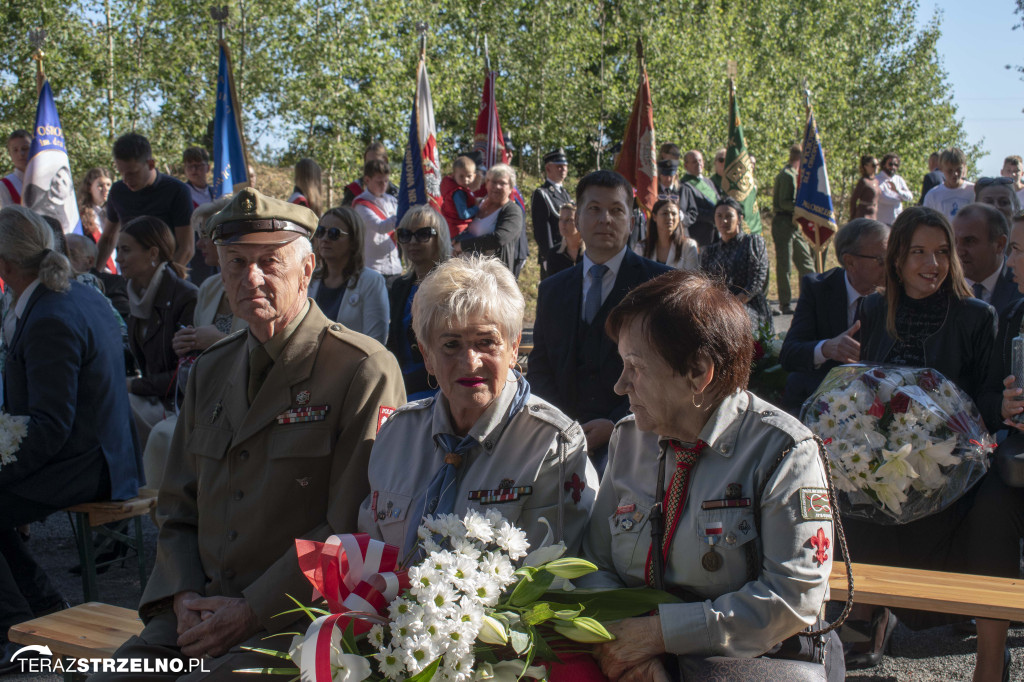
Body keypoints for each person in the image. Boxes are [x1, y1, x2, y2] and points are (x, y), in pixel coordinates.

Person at [91, 187, 406, 682]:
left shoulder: (361, 370)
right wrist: (183, 596)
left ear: (307, 270)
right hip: (196, 614)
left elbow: (351, 526)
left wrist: (251, 610)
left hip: (292, 621)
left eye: (269, 261)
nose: (250, 277)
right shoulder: (213, 369)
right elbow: (177, 507)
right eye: (234, 262)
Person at [580, 270, 843, 682]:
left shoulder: (784, 452)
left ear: (699, 372)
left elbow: (793, 599)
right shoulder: (629, 440)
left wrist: (661, 635)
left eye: (635, 366)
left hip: (746, 662)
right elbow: (592, 562)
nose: (619, 386)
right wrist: (623, 641)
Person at [360, 254, 597, 559]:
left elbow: (551, 580)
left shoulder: (552, 445)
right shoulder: (396, 436)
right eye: (451, 344)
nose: (470, 361)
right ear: (427, 356)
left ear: (513, 349)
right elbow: (370, 553)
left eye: (486, 342)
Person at [848, 206, 997, 670]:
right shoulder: (872, 308)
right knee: (848, 486)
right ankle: (866, 613)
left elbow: (990, 397)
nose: (931, 264)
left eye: (941, 252)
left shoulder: (977, 316)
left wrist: (946, 427)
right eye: (918, 252)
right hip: (878, 454)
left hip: (947, 458)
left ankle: (928, 609)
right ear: (896, 260)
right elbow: (857, 385)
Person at [0, 206, 142, 673]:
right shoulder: (71, 295)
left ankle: (18, 631)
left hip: (90, 464)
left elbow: (49, 426)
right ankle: (39, 608)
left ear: (4, 266)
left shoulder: (50, 314)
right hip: (94, 451)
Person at [529, 170, 672, 471]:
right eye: (594, 209)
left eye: (617, 210)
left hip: (639, 440)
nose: (605, 219)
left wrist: (619, 423)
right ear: (577, 219)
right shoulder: (551, 290)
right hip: (560, 438)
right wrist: (561, 425)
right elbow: (540, 366)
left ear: (631, 223)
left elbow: (667, 366)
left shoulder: (659, 283)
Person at [148, 198, 245, 490]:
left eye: (205, 234)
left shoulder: (257, 283)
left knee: (164, 437)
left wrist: (217, 339)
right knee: (161, 437)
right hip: (205, 394)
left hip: (243, 398)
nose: (199, 243)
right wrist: (186, 342)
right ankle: (167, 520)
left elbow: (268, 342)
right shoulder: (209, 287)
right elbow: (200, 346)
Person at [969, 210, 1024, 682]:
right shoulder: (1018, 312)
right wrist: (1006, 404)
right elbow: (988, 393)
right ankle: (991, 656)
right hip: (1020, 456)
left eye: (1021, 252)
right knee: (987, 507)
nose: (1011, 265)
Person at [779, 219, 890, 413]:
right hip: (821, 403)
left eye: (893, 257)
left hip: (878, 404)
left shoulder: (896, 294)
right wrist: (827, 348)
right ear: (850, 262)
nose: (890, 267)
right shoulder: (818, 289)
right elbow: (789, 354)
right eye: (881, 260)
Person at [118, 216, 198, 450]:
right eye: (117, 250)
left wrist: (133, 386)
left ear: (152, 253)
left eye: (125, 250)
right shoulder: (137, 295)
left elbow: (187, 374)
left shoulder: (186, 297)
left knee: (116, 404)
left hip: (178, 406)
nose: (118, 258)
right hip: (153, 398)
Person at [97, 133, 194, 272]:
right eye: (121, 173)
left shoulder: (177, 190)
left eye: (132, 173)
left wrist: (163, 280)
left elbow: (186, 248)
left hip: (170, 279)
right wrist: (93, 276)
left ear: (150, 164)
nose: (126, 180)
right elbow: (107, 239)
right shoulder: (118, 191)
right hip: (130, 280)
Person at [387, 205, 452, 401]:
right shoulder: (399, 286)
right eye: (405, 235)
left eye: (423, 234)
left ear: (439, 238)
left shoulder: (452, 285)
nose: (412, 241)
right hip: (400, 386)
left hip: (440, 389)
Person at [308, 206, 388, 344]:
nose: (325, 239)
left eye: (334, 233)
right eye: (320, 232)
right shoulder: (309, 279)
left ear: (353, 241)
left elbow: (375, 343)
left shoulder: (371, 282)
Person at [702, 196, 773, 333]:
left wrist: (734, 304)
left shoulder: (752, 242)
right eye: (719, 216)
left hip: (749, 306)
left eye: (729, 216)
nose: (724, 221)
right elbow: (706, 283)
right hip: (718, 309)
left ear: (739, 218)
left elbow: (757, 279)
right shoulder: (710, 251)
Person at [953, 203, 1020, 317]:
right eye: (954, 242)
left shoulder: (1020, 285)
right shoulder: (941, 286)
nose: (959, 251)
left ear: (999, 244)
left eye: (969, 241)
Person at [454, 163, 523, 273]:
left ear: (510, 188)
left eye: (502, 183)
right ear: (486, 183)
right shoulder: (477, 203)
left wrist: (463, 245)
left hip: (491, 277)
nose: (497, 186)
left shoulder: (512, 211)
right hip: (463, 271)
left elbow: (499, 239)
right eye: (493, 182)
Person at [772, 143, 815, 315]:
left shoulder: (797, 175)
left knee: (807, 264)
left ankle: (810, 298)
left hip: (794, 225)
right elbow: (784, 202)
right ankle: (785, 302)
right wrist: (803, 207)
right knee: (785, 265)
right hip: (783, 222)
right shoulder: (787, 175)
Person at [353, 158, 401, 283]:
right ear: (367, 180)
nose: (384, 185)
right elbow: (380, 227)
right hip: (374, 268)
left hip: (394, 265)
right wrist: (402, 213)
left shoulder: (392, 200)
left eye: (386, 181)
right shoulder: (361, 204)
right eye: (379, 182)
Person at [532, 147, 572, 278]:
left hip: (568, 252)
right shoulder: (542, 193)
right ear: (548, 168)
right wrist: (548, 256)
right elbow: (542, 229)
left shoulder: (565, 193)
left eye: (565, 166)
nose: (563, 170)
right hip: (553, 253)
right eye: (559, 166)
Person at [635, 199, 699, 271]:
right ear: (654, 217)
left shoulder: (688, 247)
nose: (670, 218)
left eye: (674, 214)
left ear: (679, 218)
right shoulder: (641, 248)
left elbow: (691, 279)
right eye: (665, 213)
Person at [680, 149, 721, 247]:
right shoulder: (684, 186)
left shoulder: (709, 182)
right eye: (694, 162)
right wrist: (714, 216)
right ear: (686, 166)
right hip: (699, 237)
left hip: (715, 235)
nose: (698, 164)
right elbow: (690, 211)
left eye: (700, 161)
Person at [77, 167, 115, 271]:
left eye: (108, 185)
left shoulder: (115, 213)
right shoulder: (80, 217)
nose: (106, 189)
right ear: (89, 188)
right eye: (100, 185)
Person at [923, 147, 975, 221]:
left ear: (964, 167)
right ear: (942, 169)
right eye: (950, 170)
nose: (955, 174)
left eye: (958, 169)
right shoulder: (933, 195)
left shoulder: (973, 191)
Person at [341, 141, 398, 206]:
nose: (372, 166)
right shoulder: (355, 189)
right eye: (368, 163)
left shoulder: (395, 192)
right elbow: (344, 214)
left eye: (376, 162)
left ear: (385, 161)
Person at [440, 155, 482, 240]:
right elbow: (463, 214)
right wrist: (476, 208)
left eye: (469, 176)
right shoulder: (458, 193)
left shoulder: (459, 189)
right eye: (461, 176)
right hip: (459, 230)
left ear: (474, 176)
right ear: (454, 175)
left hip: (453, 229)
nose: (465, 180)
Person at [545, 202, 584, 277]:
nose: (563, 224)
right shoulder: (554, 255)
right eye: (560, 219)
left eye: (569, 220)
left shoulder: (591, 253)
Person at [875, 153, 914, 225]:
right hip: (882, 222)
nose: (893, 167)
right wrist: (899, 199)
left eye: (896, 165)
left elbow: (910, 197)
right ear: (884, 164)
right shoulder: (877, 179)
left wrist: (897, 191)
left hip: (897, 222)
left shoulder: (899, 179)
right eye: (890, 164)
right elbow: (882, 198)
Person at [0, 130, 31, 208]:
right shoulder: (5, 185)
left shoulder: (47, 179)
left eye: (25, 148)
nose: (21, 154)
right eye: (15, 150)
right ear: (10, 154)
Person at [849, 155, 880, 220]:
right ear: (866, 166)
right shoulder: (863, 181)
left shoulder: (876, 181)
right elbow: (853, 200)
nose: (876, 167)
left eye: (878, 165)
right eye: (874, 165)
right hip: (864, 215)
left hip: (873, 215)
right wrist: (852, 216)